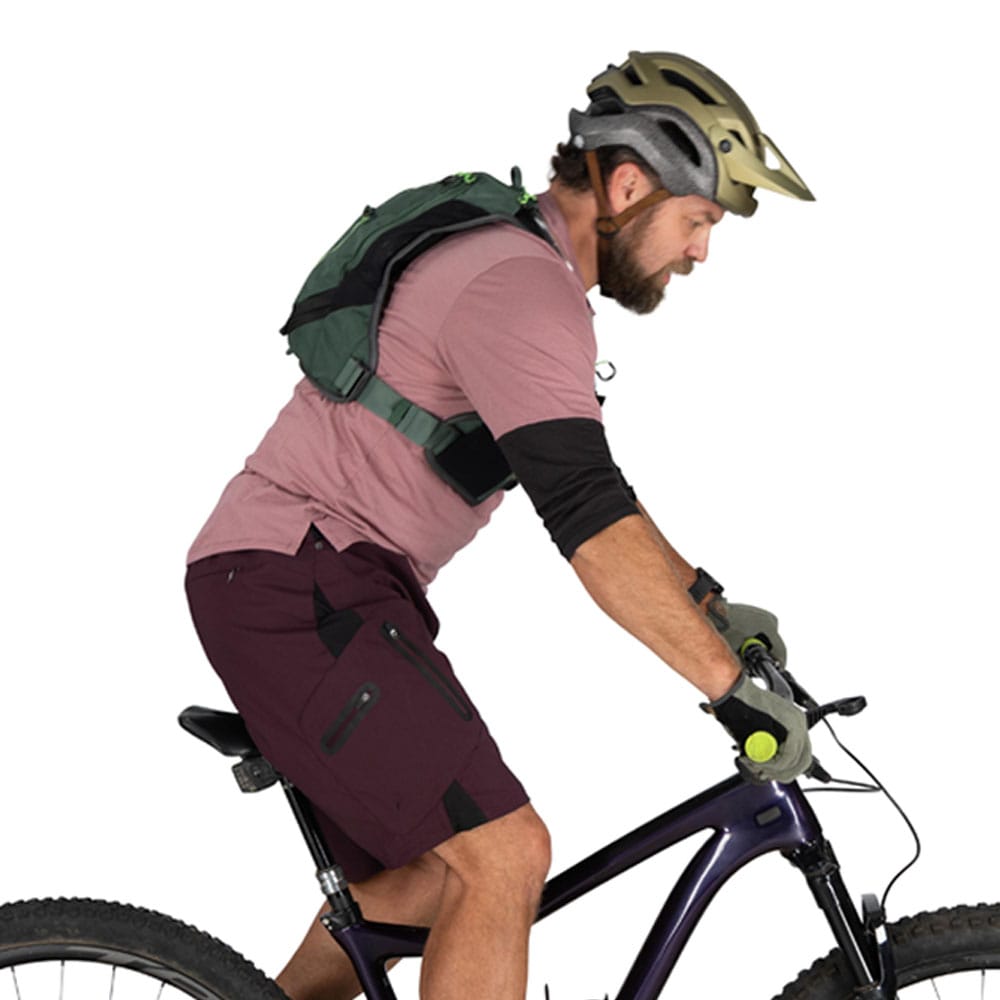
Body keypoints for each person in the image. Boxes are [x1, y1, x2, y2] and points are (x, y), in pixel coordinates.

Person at [185, 51, 815, 1000]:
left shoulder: (521, 273)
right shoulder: (520, 287)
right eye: (698, 221)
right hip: (298, 579)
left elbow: (603, 497)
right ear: (630, 186)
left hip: (317, 581)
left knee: (435, 881)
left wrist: (708, 608)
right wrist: (727, 688)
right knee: (504, 855)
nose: (699, 253)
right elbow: (589, 519)